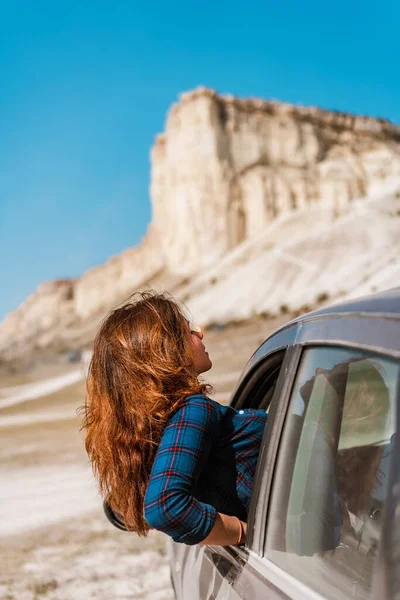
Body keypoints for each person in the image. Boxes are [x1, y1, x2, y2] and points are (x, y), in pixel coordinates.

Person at [81, 291, 267, 547]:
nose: (199, 334)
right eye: (187, 331)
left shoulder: (160, 427)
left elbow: (122, 509)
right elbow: (164, 508)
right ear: (165, 350)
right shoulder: (193, 409)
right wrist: (249, 534)